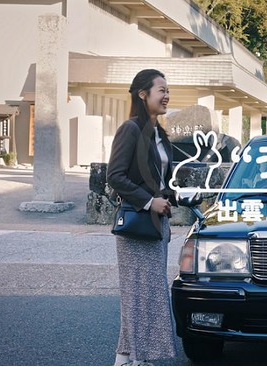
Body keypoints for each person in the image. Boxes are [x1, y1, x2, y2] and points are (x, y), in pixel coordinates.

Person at [107, 69, 177, 366]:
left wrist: (169, 197)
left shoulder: (158, 133)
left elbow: (162, 178)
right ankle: (139, 359)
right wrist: (149, 202)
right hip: (138, 225)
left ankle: (125, 357)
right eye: (161, 90)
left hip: (157, 226)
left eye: (167, 90)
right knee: (141, 296)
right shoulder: (131, 129)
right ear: (142, 94)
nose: (166, 95)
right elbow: (115, 177)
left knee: (145, 294)